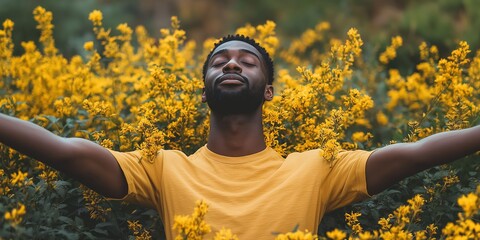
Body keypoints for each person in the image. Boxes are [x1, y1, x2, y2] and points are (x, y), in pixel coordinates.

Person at [0, 34, 479, 239]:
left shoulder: (316, 167)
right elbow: (64, 152)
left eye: (247, 61)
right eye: (219, 60)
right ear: (204, 92)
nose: (231, 62)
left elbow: (416, 154)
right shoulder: (163, 166)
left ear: (268, 91)